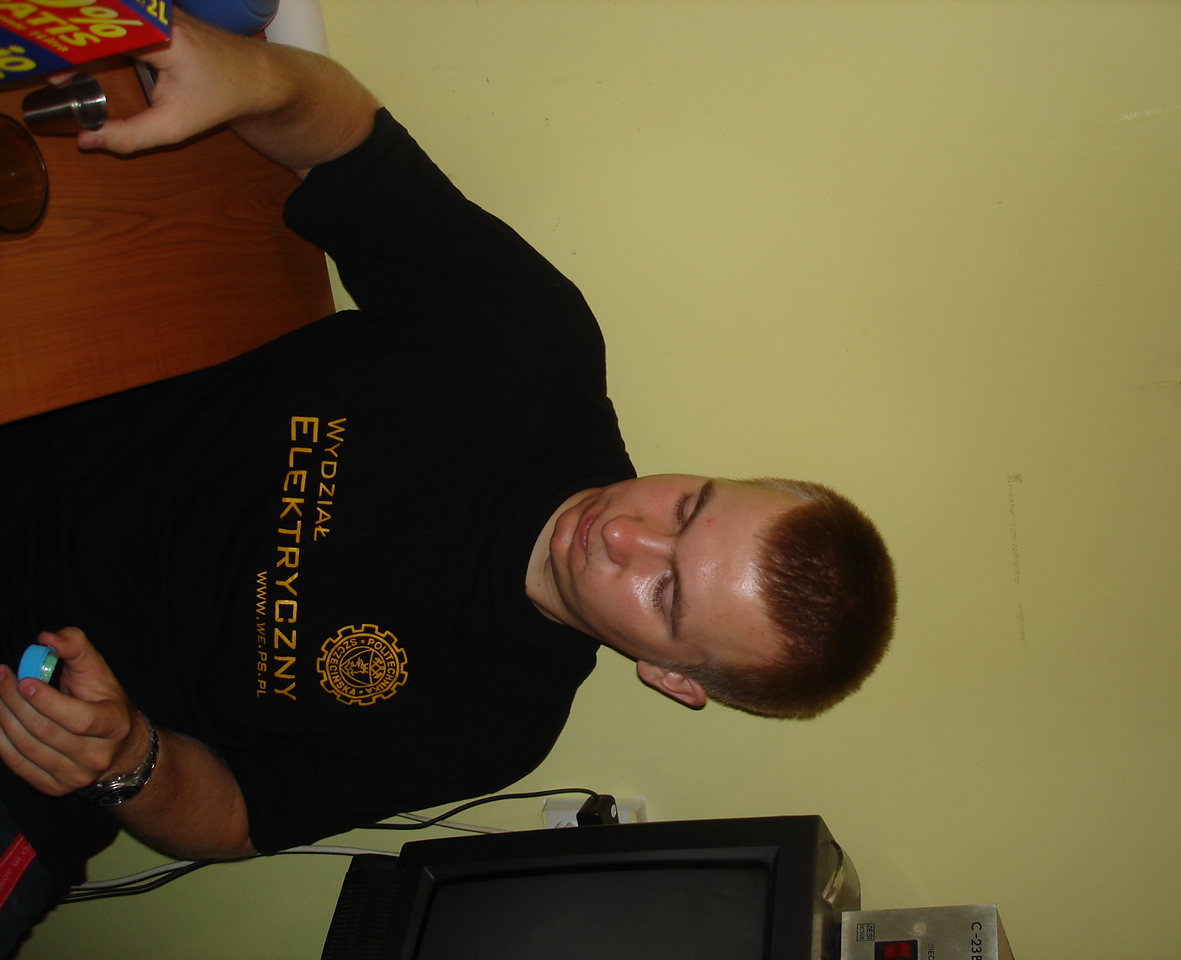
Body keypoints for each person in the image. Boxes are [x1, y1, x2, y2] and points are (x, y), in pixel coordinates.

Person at [0, 12, 896, 949]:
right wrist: (249, 75)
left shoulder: (493, 727)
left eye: (665, 593)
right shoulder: (528, 348)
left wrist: (125, 756)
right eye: (686, 506)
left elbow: (238, 817)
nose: (623, 535)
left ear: (669, 678)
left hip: (26, 743)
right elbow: (348, 140)